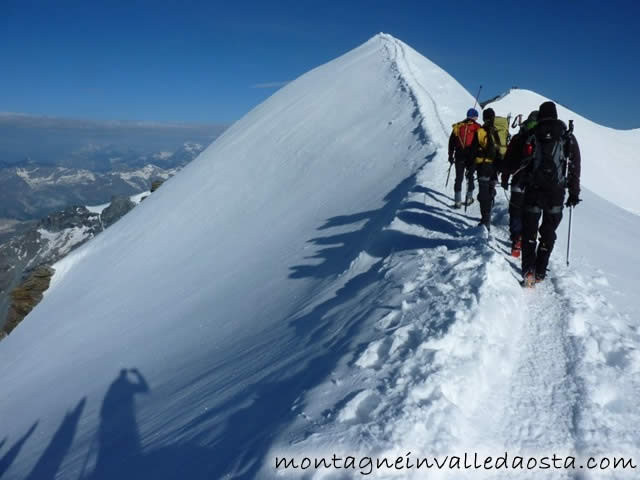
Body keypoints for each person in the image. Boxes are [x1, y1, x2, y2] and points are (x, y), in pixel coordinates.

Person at [516, 101, 581, 286]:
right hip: (556, 193)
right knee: (548, 232)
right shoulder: (566, 136)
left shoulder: (532, 134)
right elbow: (575, 166)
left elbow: (520, 160)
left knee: (529, 230)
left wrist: (515, 179)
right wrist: (574, 193)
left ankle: (528, 270)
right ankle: (540, 271)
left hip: (533, 191)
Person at [501, 110, 538, 256]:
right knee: (531, 214)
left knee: (516, 210)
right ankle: (527, 239)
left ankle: (516, 238)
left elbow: (509, 158)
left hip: (518, 179)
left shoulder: (519, 137)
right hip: (536, 184)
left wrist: (504, 177)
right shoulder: (543, 137)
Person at [470, 108, 503, 230]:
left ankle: (485, 219)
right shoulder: (499, 131)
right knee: (490, 189)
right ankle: (489, 206)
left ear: (484, 118)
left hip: (483, 166)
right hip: (495, 167)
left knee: (483, 193)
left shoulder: (480, 131)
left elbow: (473, 151)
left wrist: (471, 167)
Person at [448, 108, 480, 208]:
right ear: (475, 117)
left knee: (459, 178)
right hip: (472, 157)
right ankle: (469, 198)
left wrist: (450, 155)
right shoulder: (478, 127)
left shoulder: (458, 126)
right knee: (470, 177)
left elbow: (451, 142)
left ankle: (457, 201)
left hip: (459, 155)